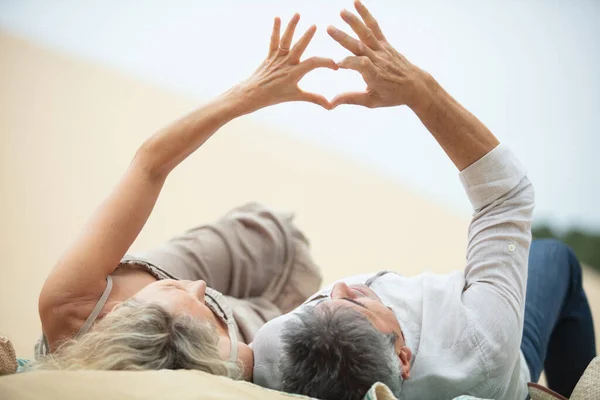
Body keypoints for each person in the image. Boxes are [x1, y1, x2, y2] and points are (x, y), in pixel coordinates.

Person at [250, 2, 596, 400]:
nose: (342, 286)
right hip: (505, 365)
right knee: (558, 259)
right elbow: (506, 194)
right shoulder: (481, 342)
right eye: (358, 307)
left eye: (319, 305)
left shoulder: (279, 352)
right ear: (403, 357)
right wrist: (419, 92)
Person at [32, 13, 335, 380]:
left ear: (114, 313)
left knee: (267, 235)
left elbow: (149, 166)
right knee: (293, 323)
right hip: (238, 331)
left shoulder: (70, 301)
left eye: (175, 286)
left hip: (272, 246)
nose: (200, 286)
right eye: (202, 309)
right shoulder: (217, 359)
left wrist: (247, 95)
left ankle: (275, 265)